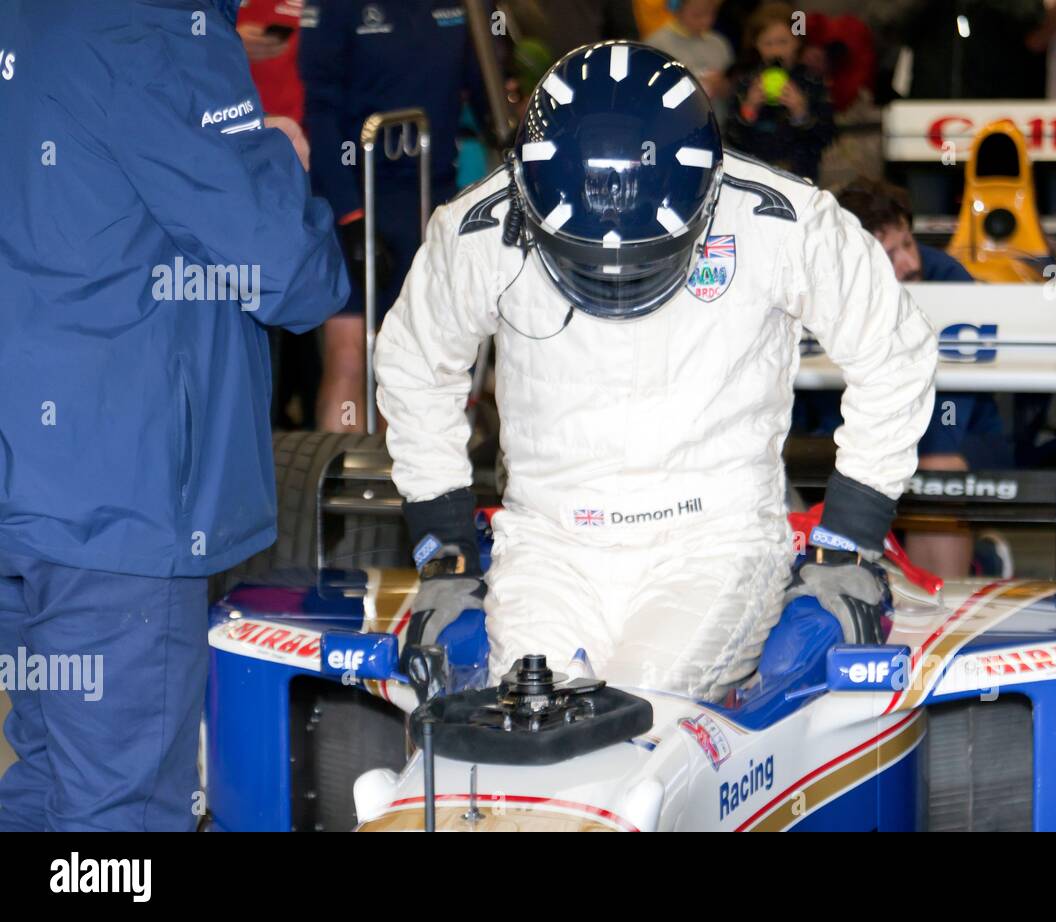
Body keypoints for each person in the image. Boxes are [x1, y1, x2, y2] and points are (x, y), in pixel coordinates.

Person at [375, 43, 936, 702]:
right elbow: (414, 362)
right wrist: (445, 551)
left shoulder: (778, 219)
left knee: (643, 714)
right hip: (550, 544)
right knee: (522, 720)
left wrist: (850, 538)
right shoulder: (479, 228)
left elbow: (893, 348)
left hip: (712, 541)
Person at [0, 0, 349, 831]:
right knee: (121, 812)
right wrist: (276, 157)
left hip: (31, 476)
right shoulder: (160, 28)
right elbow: (289, 270)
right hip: (117, 501)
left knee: (47, 773)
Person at [299, 0, 487, 432]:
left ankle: (400, 486)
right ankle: (342, 486)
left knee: (413, 361)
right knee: (349, 353)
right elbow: (320, 111)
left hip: (430, 197)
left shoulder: (468, 6)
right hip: (354, 193)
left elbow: (485, 91)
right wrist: (349, 216)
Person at [835, 179, 1013, 579]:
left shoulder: (948, 279)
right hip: (863, 427)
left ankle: (940, 609)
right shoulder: (832, 287)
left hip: (960, 432)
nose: (909, 264)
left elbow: (950, 411)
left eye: (908, 244)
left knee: (934, 464)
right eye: (890, 255)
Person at [725, 2, 836, 181]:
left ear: (797, 42)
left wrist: (801, 113)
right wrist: (749, 108)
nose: (776, 50)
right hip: (757, 175)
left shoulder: (811, 82)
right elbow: (733, 139)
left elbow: (826, 137)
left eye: (783, 42)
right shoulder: (747, 83)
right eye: (767, 43)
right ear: (756, 45)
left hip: (801, 175)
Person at [646, 0, 734, 110]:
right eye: (697, 15)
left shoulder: (719, 44)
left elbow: (733, 89)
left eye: (712, 13)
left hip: (717, 121)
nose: (706, 20)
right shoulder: (657, 44)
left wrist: (722, 86)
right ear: (677, 9)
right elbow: (649, 93)